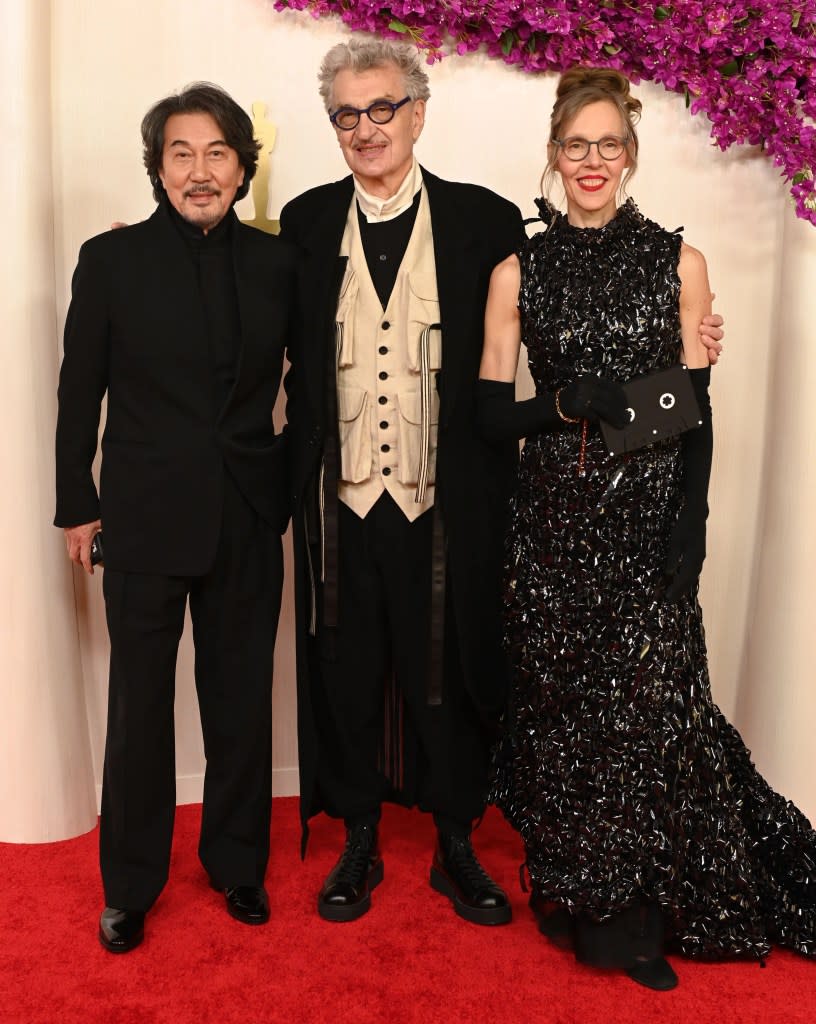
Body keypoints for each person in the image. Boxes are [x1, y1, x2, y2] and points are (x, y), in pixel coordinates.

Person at [279, 38, 725, 926]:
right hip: (344, 491)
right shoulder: (298, 220)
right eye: (347, 114)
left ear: (417, 111)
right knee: (349, 662)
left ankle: (456, 841)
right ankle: (360, 835)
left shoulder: (486, 221)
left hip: (455, 498)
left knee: (452, 668)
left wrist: (685, 384)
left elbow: (626, 365)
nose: (366, 129)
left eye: (382, 109)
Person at [477, 67, 816, 990]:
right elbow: (485, 417)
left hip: (645, 528)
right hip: (549, 531)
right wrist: (559, 403)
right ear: (554, 155)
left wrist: (690, 531)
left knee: (649, 712)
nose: (593, 162)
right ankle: (592, 899)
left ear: (631, 155)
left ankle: (644, 908)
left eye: (610, 145)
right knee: (567, 713)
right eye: (576, 146)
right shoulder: (519, 270)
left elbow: (690, 411)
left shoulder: (680, 262)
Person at [54, 83, 299, 953]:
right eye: (182, 154)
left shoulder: (278, 263)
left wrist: (286, 483)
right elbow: (79, 389)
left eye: (217, 154)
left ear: (242, 167)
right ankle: (130, 885)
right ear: (158, 168)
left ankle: (238, 865)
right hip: (143, 515)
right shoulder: (110, 261)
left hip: (245, 511)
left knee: (238, 700)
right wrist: (76, 507)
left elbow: (307, 382)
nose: (201, 171)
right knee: (139, 707)